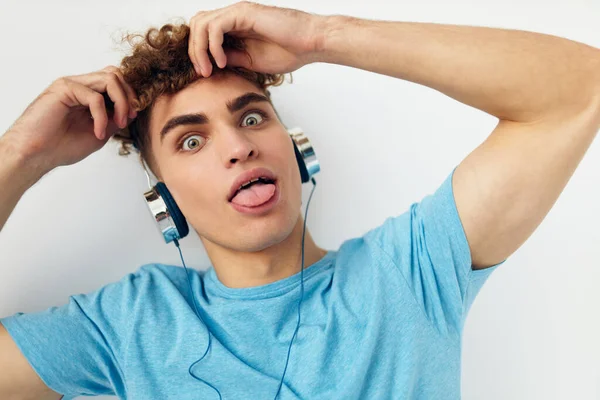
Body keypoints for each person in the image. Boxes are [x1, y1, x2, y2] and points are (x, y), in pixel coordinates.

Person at [0, 2, 598, 399]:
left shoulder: (407, 275)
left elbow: (578, 91)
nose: (237, 147)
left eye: (252, 116)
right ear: (164, 201)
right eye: (191, 140)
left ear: (297, 151)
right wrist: (19, 158)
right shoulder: (129, 325)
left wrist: (323, 37)